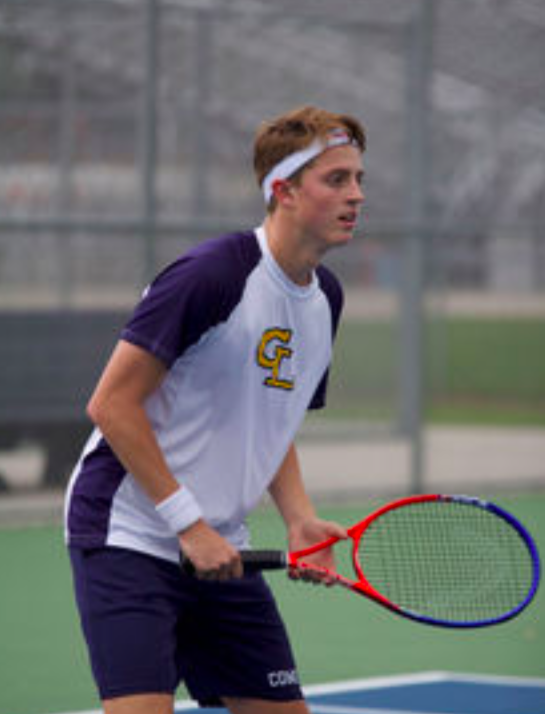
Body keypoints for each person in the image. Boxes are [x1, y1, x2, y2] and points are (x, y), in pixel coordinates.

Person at [64, 104, 366, 714]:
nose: (355, 196)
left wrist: (300, 517)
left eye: (359, 179)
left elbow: (271, 419)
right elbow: (112, 404)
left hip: (220, 549)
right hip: (128, 534)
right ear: (282, 190)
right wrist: (189, 526)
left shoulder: (325, 298)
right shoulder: (213, 275)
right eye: (336, 180)